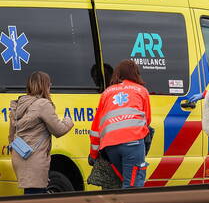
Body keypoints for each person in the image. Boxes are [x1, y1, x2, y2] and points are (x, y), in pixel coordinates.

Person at [88, 59, 152, 189]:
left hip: (110, 146)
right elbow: (147, 120)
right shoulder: (141, 90)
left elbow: (96, 129)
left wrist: (93, 155)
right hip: (132, 143)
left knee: (118, 182)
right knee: (132, 185)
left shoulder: (107, 92)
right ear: (136, 73)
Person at [8, 71, 73, 194]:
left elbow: (11, 135)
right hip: (34, 157)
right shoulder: (43, 104)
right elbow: (59, 130)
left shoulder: (18, 105)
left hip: (20, 154)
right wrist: (68, 121)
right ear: (45, 86)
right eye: (49, 84)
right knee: (35, 196)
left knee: (31, 192)